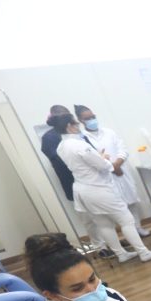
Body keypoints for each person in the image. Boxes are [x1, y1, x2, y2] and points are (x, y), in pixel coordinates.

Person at [52, 113, 151, 263]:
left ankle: (121, 254)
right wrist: (105, 159)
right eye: (76, 123)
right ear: (69, 127)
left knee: (104, 223)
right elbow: (103, 166)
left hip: (83, 189)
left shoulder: (61, 146)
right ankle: (144, 252)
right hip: (98, 188)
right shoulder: (79, 145)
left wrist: (100, 160)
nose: (79, 126)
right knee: (126, 220)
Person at [74, 105, 150, 238]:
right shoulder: (82, 139)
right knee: (117, 206)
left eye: (93, 117)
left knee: (131, 201)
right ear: (80, 120)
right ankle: (128, 233)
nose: (92, 120)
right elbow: (92, 159)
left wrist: (117, 164)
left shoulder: (109, 132)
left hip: (121, 172)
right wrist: (111, 167)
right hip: (104, 176)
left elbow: (123, 149)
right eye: (87, 118)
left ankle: (138, 227)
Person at [40, 105, 108, 255]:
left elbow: (92, 152)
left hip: (94, 181)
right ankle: (100, 247)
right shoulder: (49, 138)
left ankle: (110, 242)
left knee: (102, 215)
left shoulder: (78, 134)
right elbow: (59, 159)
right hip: (72, 182)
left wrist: (98, 158)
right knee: (88, 218)